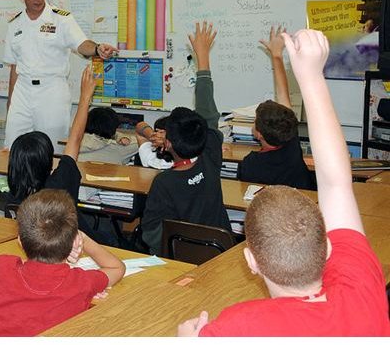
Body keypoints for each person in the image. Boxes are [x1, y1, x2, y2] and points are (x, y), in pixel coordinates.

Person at [178, 29, 390, 337]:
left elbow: (334, 183)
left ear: (251, 261)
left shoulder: (235, 327)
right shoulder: (362, 288)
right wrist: (311, 76)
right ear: (327, 246)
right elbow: (336, 184)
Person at [0, 188, 125, 337]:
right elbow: (117, 267)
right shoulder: (80, 283)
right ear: (73, 240)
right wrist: (83, 238)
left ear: (20, 241)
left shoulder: (0, 265)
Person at [141, 21, 232, 256]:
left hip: (179, 259)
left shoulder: (164, 183)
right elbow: (208, 111)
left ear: (168, 142)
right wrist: (203, 59)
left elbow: (151, 233)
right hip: (220, 254)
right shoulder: (211, 156)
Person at [3, 0, 118, 149]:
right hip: (22, 91)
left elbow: (82, 44)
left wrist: (97, 48)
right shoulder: (14, 24)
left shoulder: (61, 18)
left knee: (52, 147)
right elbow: (14, 67)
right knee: (12, 146)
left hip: (52, 90)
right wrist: (10, 103)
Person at [237, 26, 315, 190]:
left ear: (258, 133)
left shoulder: (250, 164)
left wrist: (276, 55)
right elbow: (283, 95)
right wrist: (277, 55)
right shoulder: (291, 145)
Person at [6, 65, 95, 207]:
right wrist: (85, 97)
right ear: (47, 161)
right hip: (68, 229)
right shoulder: (59, 183)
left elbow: (75, 139)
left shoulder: (14, 194)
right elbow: (75, 139)